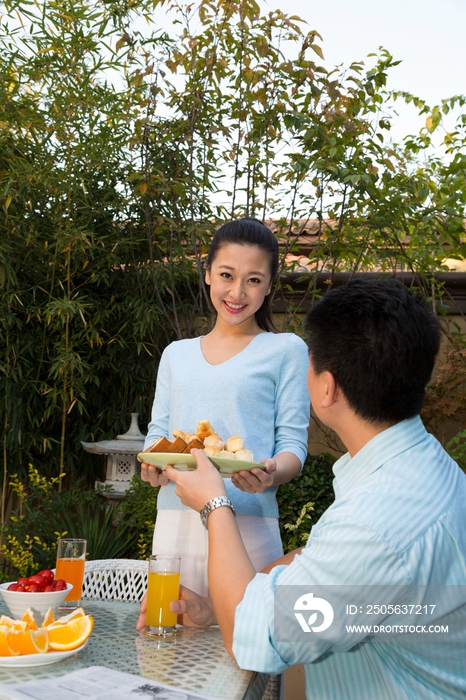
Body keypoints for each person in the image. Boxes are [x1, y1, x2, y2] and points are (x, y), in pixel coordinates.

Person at [143, 279, 466, 700]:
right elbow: (325, 564)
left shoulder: (376, 521)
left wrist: (213, 505)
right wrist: (214, 610)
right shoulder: (422, 470)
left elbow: (249, 641)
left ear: (326, 387)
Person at [140, 217, 310, 597]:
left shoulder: (287, 350)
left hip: (248, 520)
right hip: (175, 516)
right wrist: (153, 467)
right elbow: (159, 434)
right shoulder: (175, 354)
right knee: (171, 634)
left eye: (253, 279)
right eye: (227, 275)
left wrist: (271, 472)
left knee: (247, 642)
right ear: (208, 275)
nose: (237, 291)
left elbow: (294, 446)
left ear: (268, 287)